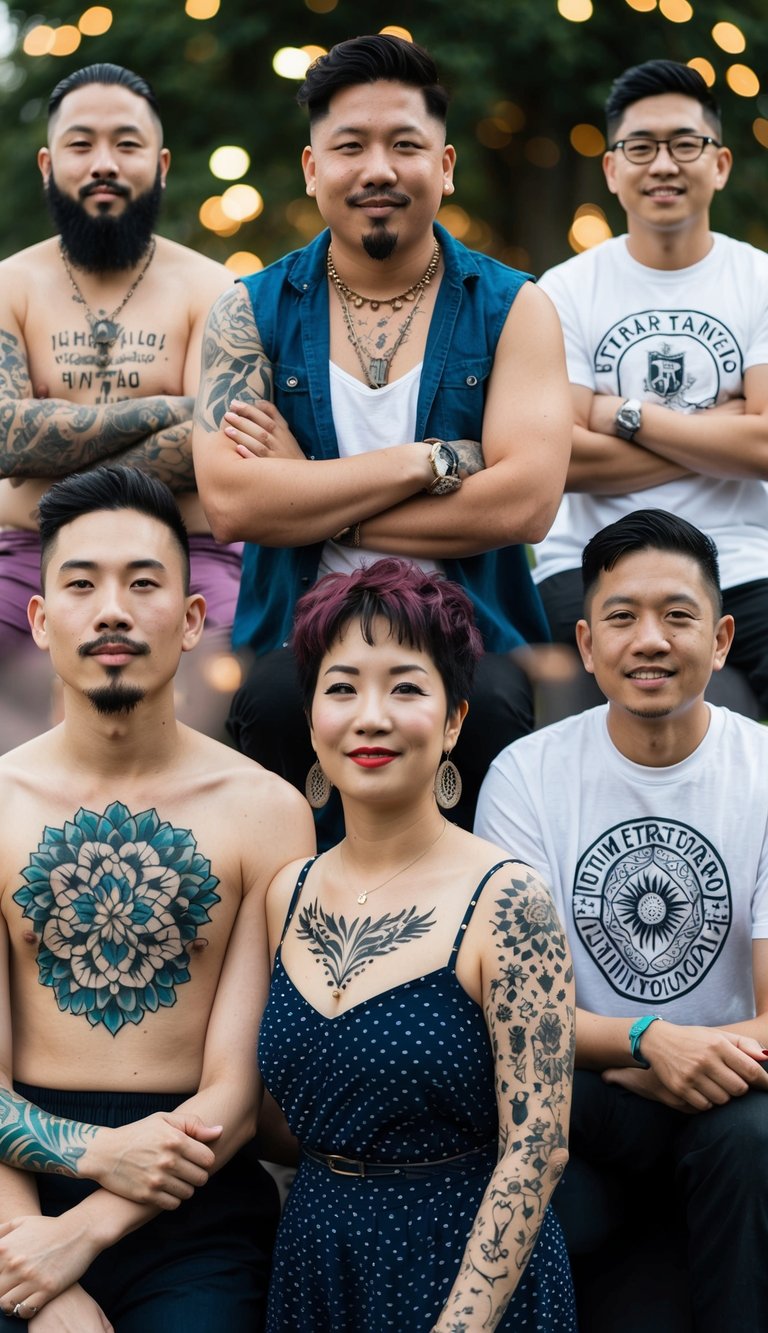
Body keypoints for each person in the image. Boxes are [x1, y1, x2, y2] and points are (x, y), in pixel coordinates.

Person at [192, 34, 571, 840]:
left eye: (406, 145)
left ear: (446, 165)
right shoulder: (245, 311)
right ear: (310, 167)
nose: (378, 169)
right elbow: (233, 502)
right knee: (266, 703)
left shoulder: (515, 307)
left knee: (498, 704)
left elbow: (525, 503)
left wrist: (314, 493)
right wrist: (424, 462)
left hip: (468, 632)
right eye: (350, 146)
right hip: (300, 632)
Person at [0, 466, 315, 1331]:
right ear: (38, 619)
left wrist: (88, 1232)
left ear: (191, 620)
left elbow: (238, 1095)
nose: (112, 609)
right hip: (13, 1190)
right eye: (81, 583)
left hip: (198, 1203)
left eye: (143, 583)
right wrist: (41, 1258)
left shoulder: (266, 811)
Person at [257, 557, 576, 1332]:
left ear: (455, 719)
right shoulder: (285, 892)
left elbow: (539, 1145)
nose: (371, 715)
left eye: (405, 686)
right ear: (311, 720)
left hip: (466, 1270)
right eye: (342, 687)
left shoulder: (509, 900)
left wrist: (460, 1324)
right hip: (316, 1260)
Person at [475, 509, 768, 1333]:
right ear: (585, 641)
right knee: (534, 1105)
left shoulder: (763, 773)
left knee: (751, 1138)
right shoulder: (526, 776)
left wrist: (688, 1060)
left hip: (735, 1098)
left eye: (678, 616)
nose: (650, 640)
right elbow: (515, 1013)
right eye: (622, 617)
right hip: (597, 1099)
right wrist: (648, 1041)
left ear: (720, 639)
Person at [0, 63, 239, 744]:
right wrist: (173, 410)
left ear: (161, 165)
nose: (103, 163)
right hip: (24, 556)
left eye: (127, 144)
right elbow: (5, 437)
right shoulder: (9, 286)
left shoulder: (213, 289)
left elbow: (215, 446)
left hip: (188, 557)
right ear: (48, 164)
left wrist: (48, 437)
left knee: (248, 687)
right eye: (81, 144)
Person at [533, 59, 768, 715]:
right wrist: (722, 429)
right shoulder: (563, 290)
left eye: (684, 144)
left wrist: (622, 413)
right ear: (612, 169)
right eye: (640, 147)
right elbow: (562, 459)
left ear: (718, 164)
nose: (663, 163)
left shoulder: (760, 282)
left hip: (745, 566)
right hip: (587, 565)